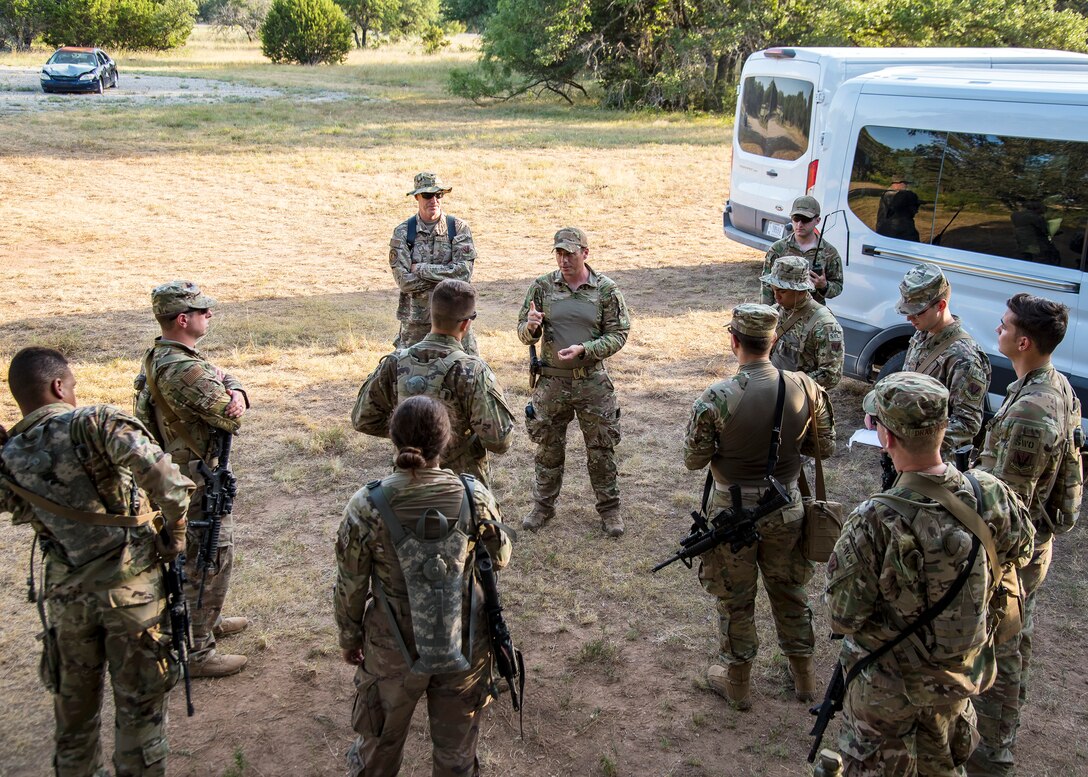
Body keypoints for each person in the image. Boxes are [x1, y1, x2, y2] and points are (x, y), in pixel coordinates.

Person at [828, 372, 1034, 776]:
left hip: (888, 693)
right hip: (957, 683)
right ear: (942, 429)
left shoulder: (873, 519)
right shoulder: (989, 493)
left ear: (886, 438)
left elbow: (843, 616)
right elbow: (1022, 551)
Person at [0, 347, 194, 776]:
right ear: (58, 386)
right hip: (132, 596)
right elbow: (169, 482)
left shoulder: (10, 451)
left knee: (74, 721)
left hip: (66, 601)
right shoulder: (94, 422)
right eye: (70, 386)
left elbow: (17, 507)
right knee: (139, 715)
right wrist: (174, 536)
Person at [334, 395, 513, 777]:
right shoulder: (473, 494)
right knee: (456, 754)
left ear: (393, 439)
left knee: (378, 746)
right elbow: (500, 558)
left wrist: (350, 638)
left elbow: (350, 583)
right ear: (446, 442)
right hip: (463, 638)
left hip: (390, 645)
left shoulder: (366, 504)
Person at [683, 304, 835, 710]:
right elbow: (825, 446)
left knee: (735, 598)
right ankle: (803, 676)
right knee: (790, 590)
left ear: (734, 341)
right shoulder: (806, 386)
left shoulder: (717, 397)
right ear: (774, 341)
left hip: (731, 514)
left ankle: (737, 683)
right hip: (786, 507)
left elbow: (693, 459)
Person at [968, 294, 1083, 777]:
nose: (997, 329)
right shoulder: (1051, 386)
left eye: (1003, 325)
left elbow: (1006, 508)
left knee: (1001, 645)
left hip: (1012, 553)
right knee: (1009, 640)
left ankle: (994, 753)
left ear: (1023, 341)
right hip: (1033, 543)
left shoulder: (1030, 412)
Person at [135, 280, 250, 678]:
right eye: (203, 311)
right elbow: (230, 415)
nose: (209, 315)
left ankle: (208, 620)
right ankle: (199, 650)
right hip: (196, 481)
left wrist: (229, 382)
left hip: (184, 474)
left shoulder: (161, 357)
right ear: (183, 319)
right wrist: (234, 389)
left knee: (204, 557)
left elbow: (223, 380)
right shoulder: (185, 369)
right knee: (209, 558)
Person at [517, 227, 631, 537]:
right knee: (547, 449)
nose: (564, 259)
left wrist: (586, 350)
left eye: (570, 253)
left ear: (585, 253)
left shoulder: (605, 290)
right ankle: (542, 506)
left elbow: (618, 333)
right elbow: (523, 333)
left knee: (601, 449)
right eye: (559, 253)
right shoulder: (541, 287)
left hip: (592, 382)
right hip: (552, 383)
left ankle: (610, 510)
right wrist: (531, 328)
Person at [352, 279, 515, 487]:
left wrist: (411, 435)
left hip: (405, 484)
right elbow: (500, 440)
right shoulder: (473, 371)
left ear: (431, 314)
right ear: (466, 323)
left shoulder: (394, 363)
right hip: (462, 488)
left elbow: (363, 419)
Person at [897, 264, 991, 457]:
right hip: (907, 454)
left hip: (936, 461)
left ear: (940, 305)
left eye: (917, 311)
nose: (909, 317)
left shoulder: (964, 358)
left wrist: (914, 440)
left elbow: (967, 423)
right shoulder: (923, 334)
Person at [390, 172, 480, 355]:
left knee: (466, 372)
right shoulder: (403, 233)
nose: (434, 200)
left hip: (455, 319)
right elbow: (404, 281)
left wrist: (421, 269)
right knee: (410, 375)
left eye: (438, 195)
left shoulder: (458, 228)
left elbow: (463, 274)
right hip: (417, 322)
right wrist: (447, 278)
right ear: (417, 196)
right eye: (428, 195)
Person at [762, 256, 844, 390]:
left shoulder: (825, 325)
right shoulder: (776, 311)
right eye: (774, 289)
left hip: (799, 399)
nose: (776, 296)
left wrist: (788, 386)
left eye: (782, 291)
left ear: (800, 290)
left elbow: (830, 375)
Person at [761, 196, 843, 306]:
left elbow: (838, 286)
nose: (799, 224)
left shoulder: (829, 252)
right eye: (796, 218)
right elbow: (767, 285)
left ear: (817, 220)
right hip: (783, 313)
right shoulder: (778, 249)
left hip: (813, 315)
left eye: (805, 220)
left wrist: (824, 286)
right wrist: (766, 313)